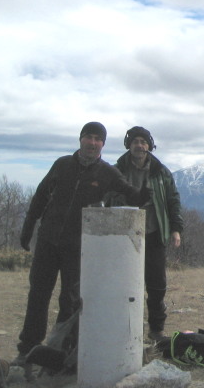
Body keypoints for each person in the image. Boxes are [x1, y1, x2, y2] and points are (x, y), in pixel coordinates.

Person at [16, 122, 142, 363]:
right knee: (38, 296)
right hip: (48, 241)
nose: (92, 143)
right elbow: (41, 196)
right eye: (89, 137)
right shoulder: (62, 164)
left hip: (78, 246)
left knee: (70, 301)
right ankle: (27, 349)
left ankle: (63, 350)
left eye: (98, 139)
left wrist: (143, 195)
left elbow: (128, 190)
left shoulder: (107, 172)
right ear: (81, 139)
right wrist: (28, 227)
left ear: (103, 145)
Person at [108, 126, 184, 341]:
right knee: (123, 283)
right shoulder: (117, 171)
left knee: (157, 284)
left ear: (149, 145)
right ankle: (123, 328)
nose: (139, 146)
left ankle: (156, 330)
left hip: (153, 231)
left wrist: (176, 228)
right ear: (128, 145)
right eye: (135, 142)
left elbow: (173, 200)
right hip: (124, 235)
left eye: (143, 142)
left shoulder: (161, 171)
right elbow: (110, 198)